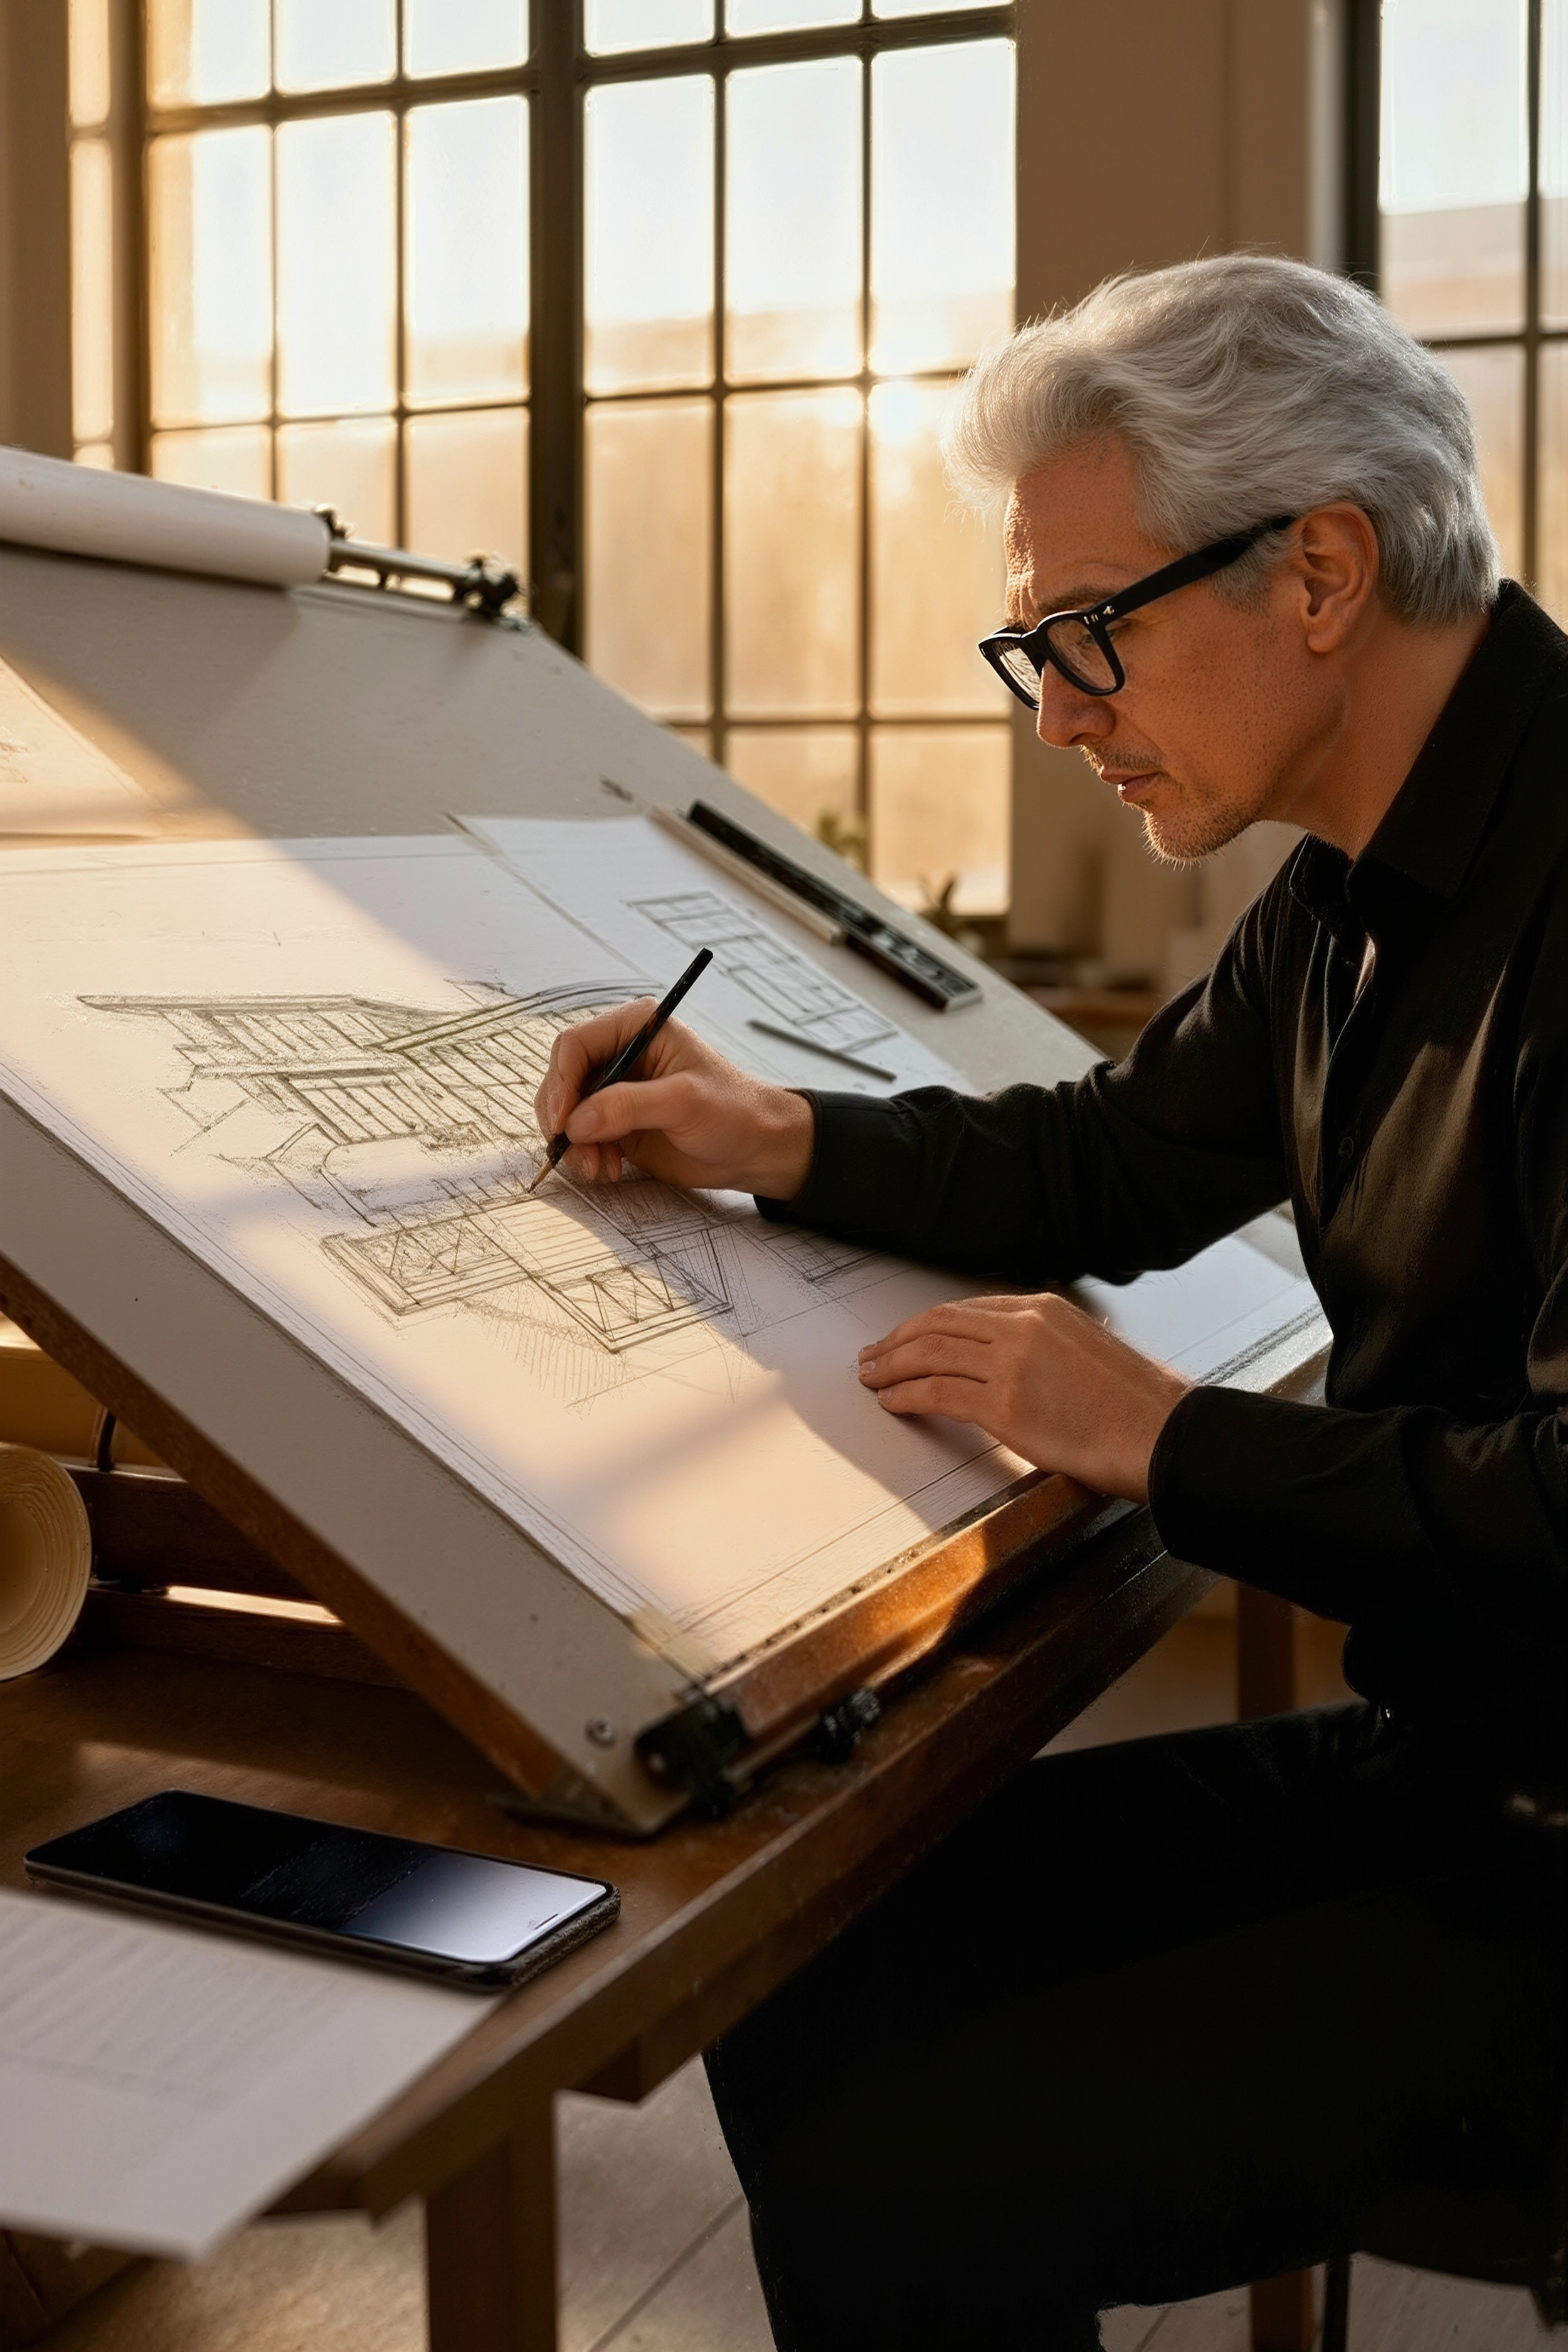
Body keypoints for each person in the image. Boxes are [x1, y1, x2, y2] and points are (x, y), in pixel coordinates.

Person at [534, 255, 1568, 2349]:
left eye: (1089, 632)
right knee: (802, 1949)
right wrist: (771, 1133)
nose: (1057, 713)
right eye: (1034, 648)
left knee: (905, 2151)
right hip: (1458, 1762)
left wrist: (1163, 1438)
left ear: (1319, 572)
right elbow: (1108, 1160)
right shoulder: (1346, 889)